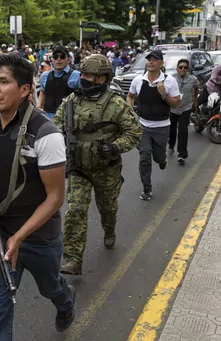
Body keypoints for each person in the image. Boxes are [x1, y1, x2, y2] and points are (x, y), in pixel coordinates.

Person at [0, 53, 76, 340]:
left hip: (40, 237)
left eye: (4, 82)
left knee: (51, 287)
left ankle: (66, 301)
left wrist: (20, 237)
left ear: (26, 89)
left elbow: (55, 198)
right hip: (0, 234)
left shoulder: (46, 134)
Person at [54, 54, 142, 275]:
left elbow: (135, 132)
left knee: (108, 208)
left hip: (106, 169)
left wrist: (115, 147)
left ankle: (109, 229)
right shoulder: (71, 102)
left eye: (89, 75)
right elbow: (55, 126)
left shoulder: (115, 104)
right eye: (82, 74)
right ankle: (73, 258)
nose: (83, 78)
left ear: (102, 79)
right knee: (74, 210)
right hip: (78, 168)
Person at [126, 50, 181, 201]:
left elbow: (176, 104)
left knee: (158, 157)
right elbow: (130, 96)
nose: (151, 62)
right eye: (149, 59)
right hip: (142, 126)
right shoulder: (138, 80)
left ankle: (162, 159)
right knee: (144, 157)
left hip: (162, 127)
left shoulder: (170, 81)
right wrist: (130, 111)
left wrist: (164, 94)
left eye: (155, 60)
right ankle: (147, 189)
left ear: (161, 63)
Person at [169, 59, 199, 166]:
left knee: (183, 130)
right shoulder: (171, 79)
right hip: (172, 108)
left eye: (185, 67)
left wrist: (195, 99)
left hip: (185, 108)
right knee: (172, 130)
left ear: (188, 69)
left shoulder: (193, 79)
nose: (183, 69)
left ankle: (182, 154)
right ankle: (171, 145)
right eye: (180, 67)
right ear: (177, 68)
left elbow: (196, 87)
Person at [37, 46, 81, 119]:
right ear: (53, 59)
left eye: (62, 56)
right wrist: (39, 106)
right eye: (55, 56)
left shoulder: (77, 76)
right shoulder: (45, 75)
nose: (59, 59)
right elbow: (43, 91)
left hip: (69, 119)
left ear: (69, 59)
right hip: (48, 120)